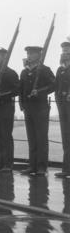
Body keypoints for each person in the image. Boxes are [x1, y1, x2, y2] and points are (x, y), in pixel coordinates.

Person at [19, 46, 56, 176]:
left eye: (32, 53)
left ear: (39, 55)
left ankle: (41, 167)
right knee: (32, 138)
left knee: (41, 138)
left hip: (40, 108)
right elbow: (21, 90)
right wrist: (22, 104)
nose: (29, 56)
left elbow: (53, 85)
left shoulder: (45, 70)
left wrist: (40, 92)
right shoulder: (24, 72)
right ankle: (32, 165)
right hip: (28, 108)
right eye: (28, 53)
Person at [55, 41, 70, 178]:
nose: (64, 54)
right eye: (63, 51)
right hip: (63, 107)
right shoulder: (60, 70)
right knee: (66, 138)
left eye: (67, 51)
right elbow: (56, 88)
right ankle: (67, 169)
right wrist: (59, 104)